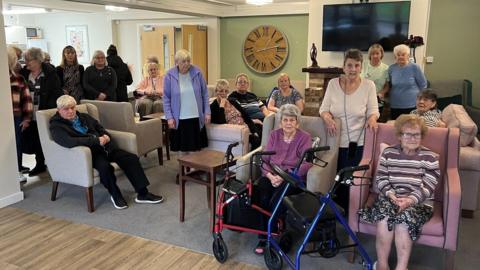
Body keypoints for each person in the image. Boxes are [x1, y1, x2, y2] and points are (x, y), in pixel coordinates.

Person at [49, 95, 164, 209]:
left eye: (72, 108)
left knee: (131, 158)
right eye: (66, 109)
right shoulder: (56, 125)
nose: (70, 111)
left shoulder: (84, 117)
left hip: (107, 148)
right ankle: (115, 195)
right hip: (90, 154)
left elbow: (100, 128)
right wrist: (96, 140)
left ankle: (143, 193)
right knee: (105, 168)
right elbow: (69, 142)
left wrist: (106, 136)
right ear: (59, 110)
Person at [358, 114, 440, 270]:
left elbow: (430, 185)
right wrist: (390, 194)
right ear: (400, 136)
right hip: (390, 198)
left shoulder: (430, 157)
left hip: (419, 203)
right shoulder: (388, 153)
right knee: (384, 219)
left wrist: (410, 200)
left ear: (422, 136)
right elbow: (381, 178)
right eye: (407, 134)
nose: (412, 138)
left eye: (416, 134)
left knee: (403, 221)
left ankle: (401, 268)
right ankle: (382, 265)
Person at [319, 48, 379, 212]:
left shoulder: (369, 86)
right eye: (349, 65)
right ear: (344, 66)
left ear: (361, 67)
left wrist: (372, 118)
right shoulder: (333, 84)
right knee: (335, 180)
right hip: (335, 141)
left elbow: (374, 111)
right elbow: (323, 109)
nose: (353, 69)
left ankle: (351, 215)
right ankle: (335, 213)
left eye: (356, 65)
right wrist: (327, 118)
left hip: (357, 143)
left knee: (351, 181)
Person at [254, 104, 312, 255]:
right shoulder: (274, 135)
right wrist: (269, 175)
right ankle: (263, 236)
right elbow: (265, 159)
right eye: (285, 120)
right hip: (271, 174)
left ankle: (274, 235)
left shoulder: (304, 137)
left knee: (277, 200)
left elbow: (306, 163)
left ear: (297, 122)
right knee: (262, 193)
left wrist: (284, 176)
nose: (288, 123)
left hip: (292, 178)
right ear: (280, 122)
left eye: (292, 120)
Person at [20, 47, 63, 176]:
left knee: (43, 139)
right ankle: (39, 163)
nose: (26, 62)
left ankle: (41, 164)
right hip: (29, 113)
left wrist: (47, 113)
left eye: (29, 60)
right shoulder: (24, 74)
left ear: (38, 60)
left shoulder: (50, 74)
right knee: (32, 139)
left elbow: (56, 94)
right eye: (25, 60)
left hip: (44, 113)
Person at [163, 49, 210, 154]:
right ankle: (183, 170)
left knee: (196, 150)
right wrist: (169, 117)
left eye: (188, 60)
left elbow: (205, 94)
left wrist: (207, 112)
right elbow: (166, 98)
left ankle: (195, 170)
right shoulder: (169, 75)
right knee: (182, 151)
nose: (187, 64)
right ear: (177, 62)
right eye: (183, 61)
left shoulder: (197, 72)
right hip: (179, 119)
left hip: (196, 117)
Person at [210, 79, 261, 148]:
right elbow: (221, 121)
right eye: (221, 91)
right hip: (235, 131)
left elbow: (245, 115)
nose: (224, 93)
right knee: (256, 140)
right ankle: (252, 158)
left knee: (260, 130)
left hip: (245, 126)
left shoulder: (232, 101)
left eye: (226, 91)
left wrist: (254, 130)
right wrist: (222, 106)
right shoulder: (213, 106)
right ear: (216, 92)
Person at [8, 46, 33, 182]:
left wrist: (27, 119)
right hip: (4, 118)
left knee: (17, 145)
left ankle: (17, 170)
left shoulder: (19, 79)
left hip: (16, 117)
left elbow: (27, 99)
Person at [387, 44, 427, 120]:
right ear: (395, 56)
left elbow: (423, 85)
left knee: (412, 126)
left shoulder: (415, 67)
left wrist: (421, 101)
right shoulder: (391, 68)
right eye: (398, 55)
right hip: (395, 104)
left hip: (412, 104)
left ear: (408, 55)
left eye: (403, 54)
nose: (400, 57)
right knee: (396, 127)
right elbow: (389, 85)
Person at [361, 44, 389, 116]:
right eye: (372, 54)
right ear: (370, 55)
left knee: (375, 124)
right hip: (363, 101)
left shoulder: (386, 68)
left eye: (377, 53)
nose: (375, 56)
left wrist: (381, 93)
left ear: (381, 54)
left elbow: (387, 85)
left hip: (377, 102)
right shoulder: (363, 65)